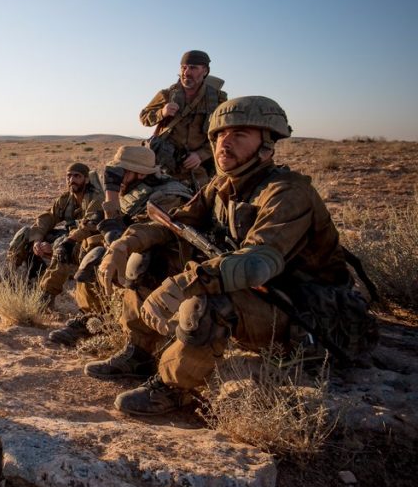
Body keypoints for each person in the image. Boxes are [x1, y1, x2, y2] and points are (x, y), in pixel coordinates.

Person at [89, 96, 378, 416]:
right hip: (264, 297)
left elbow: (256, 263)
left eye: (239, 135)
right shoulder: (221, 186)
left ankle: (175, 388)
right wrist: (123, 246)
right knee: (149, 258)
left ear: (266, 145)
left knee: (209, 300)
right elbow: (175, 225)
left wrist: (183, 283)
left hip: (306, 312)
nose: (225, 142)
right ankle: (139, 354)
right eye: (219, 135)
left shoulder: (287, 192)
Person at [47, 146, 192, 345]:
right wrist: (71, 240)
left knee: (112, 257)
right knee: (89, 247)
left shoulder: (169, 195)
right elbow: (99, 220)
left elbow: (148, 232)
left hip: (164, 260)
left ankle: (136, 338)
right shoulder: (135, 189)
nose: (116, 179)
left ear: (140, 173)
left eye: (121, 172)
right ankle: (94, 319)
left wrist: (119, 237)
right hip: (129, 246)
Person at [4, 162, 102, 299]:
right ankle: (5, 279)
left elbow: (88, 228)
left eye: (77, 176)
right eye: (69, 176)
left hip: (87, 242)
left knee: (61, 245)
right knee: (26, 232)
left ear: (86, 179)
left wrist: (58, 244)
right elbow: (48, 217)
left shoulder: (96, 199)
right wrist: (37, 239)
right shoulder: (66, 198)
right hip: (70, 237)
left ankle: (46, 296)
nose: (71, 180)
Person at [139, 50, 227, 188]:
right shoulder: (167, 95)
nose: (186, 72)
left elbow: (224, 134)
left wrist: (201, 155)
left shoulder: (217, 99)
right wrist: (162, 112)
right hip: (164, 163)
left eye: (193, 68)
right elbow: (144, 117)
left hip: (196, 167)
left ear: (204, 71)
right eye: (183, 68)